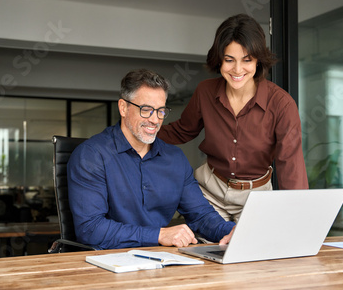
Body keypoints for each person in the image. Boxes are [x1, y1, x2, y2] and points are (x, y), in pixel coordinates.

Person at [158, 14, 308, 222]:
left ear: (258, 60)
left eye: (247, 60)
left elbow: (290, 164)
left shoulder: (282, 104)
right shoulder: (205, 92)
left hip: (256, 197)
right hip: (209, 191)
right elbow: (183, 130)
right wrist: (142, 131)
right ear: (219, 59)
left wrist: (297, 218)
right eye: (229, 60)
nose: (237, 70)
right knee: (200, 248)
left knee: (253, 253)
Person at [67, 69, 235, 250]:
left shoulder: (175, 159)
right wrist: (159, 235)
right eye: (146, 110)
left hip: (161, 262)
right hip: (108, 263)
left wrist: (233, 231)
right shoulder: (91, 156)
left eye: (161, 111)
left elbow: (201, 216)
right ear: (123, 108)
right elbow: (90, 230)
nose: (155, 120)